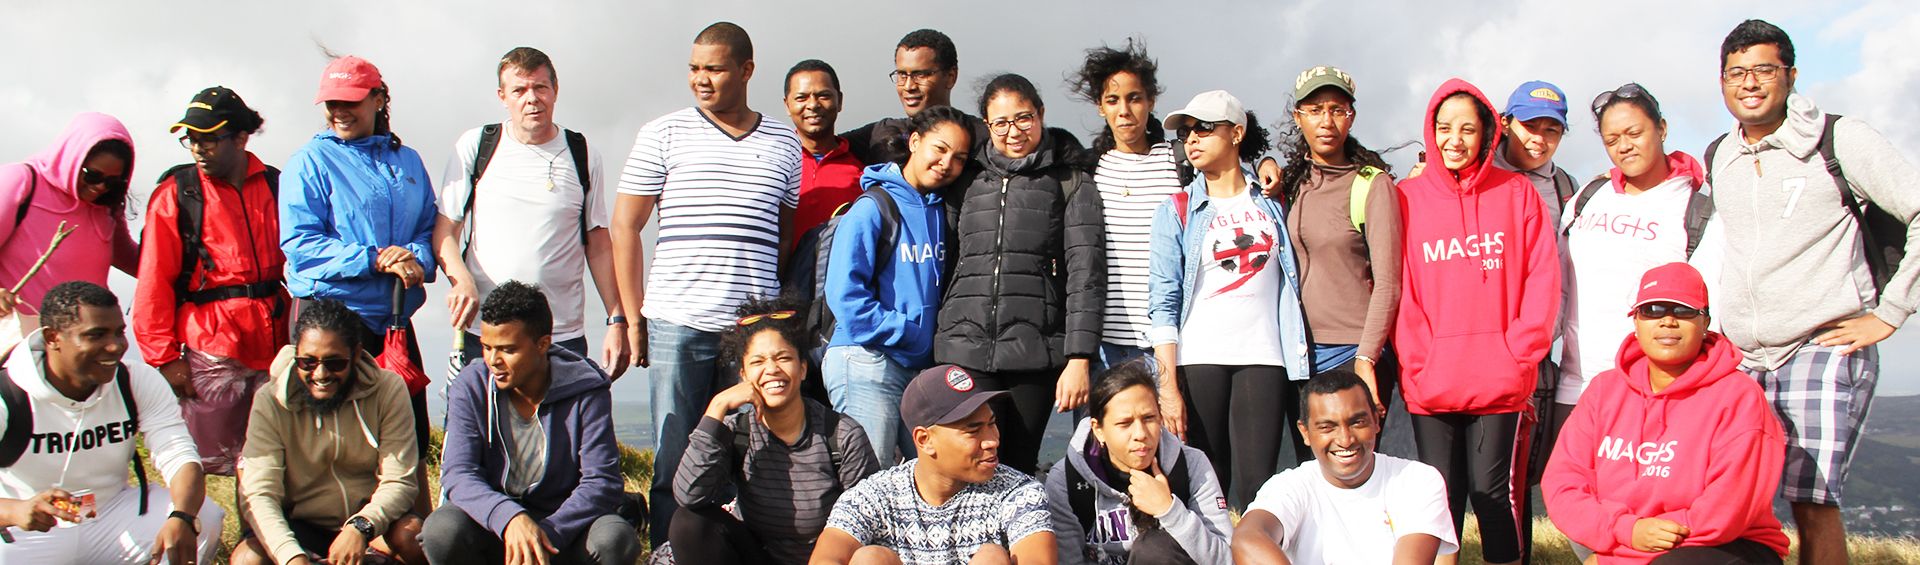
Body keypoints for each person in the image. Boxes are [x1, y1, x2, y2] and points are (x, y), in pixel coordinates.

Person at [1706, 19, 1920, 564]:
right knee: (1733, 496)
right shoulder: (1720, 154)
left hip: (1820, 344)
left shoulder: (1840, 139)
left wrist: (1891, 312)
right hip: (1744, 355)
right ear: (1722, 81)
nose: (1749, 83)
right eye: (1736, 72)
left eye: (1763, 69)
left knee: (1812, 500)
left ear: (1792, 75)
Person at [611, 21, 803, 544]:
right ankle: (667, 552)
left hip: (750, 331)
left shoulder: (784, 142)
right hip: (678, 320)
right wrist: (633, 318)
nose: (701, 79)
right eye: (694, 68)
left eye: (714, 69)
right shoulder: (662, 133)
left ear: (746, 70)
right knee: (675, 454)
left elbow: (783, 234)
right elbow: (624, 226)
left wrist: (766, 314)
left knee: (748, 453)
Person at [1394, 79, 1559, 565]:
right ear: (1431, 131)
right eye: (1444, 128)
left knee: (1493, 498)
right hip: (1431, 381)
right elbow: (1400, 288)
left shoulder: (1517, 193)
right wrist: (1419, 363)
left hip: (1500, 381)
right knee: (1439, 502)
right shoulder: (1406, 197)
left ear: (1488, 132)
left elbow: (1541, 279)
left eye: (1468, 129)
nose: (1455, 140)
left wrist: (1518, 357)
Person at [1545, 262, 1789, 564]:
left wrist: (1615, 558)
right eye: (1653, 310)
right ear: (1636, 322)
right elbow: (1564, 484)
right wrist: (1626, 530)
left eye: (1684, 311)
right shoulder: (1603, 390)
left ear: (1705, 322)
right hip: (1625, 534)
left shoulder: (1739, 396)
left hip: (1726, 544)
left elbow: (1726, 511)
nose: (1668, 321)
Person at [1147, 89, 1310, 511]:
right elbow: (1163, 301)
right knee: (1207, 487)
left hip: (1266, 356)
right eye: (1185, 132)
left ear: (1236, 133)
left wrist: (1268, 162)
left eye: (1204, 128)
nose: (1192, 139)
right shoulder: (1177, 209)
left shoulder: (1274, 200)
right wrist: (1168, 386)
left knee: (1261, 486)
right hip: (1199, 358)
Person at [279, 55, 437, 488]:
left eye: (350, 101)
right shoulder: (309, 161)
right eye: (331, 103)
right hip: (327, 322)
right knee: (332, 444)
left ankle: (408, 526)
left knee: (408, 437)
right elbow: (300, 246)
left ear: (378, 99)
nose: (339, 112)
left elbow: (429, 228)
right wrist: (374, 258)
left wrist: (414, 258)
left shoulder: (408, 161)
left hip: (394, 320)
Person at [936, 73, 1103, 475]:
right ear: (987, 125)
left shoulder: (1070, 181)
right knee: (967, 461)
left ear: (1041, 114)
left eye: (1023, 118)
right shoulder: (967, 180)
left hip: (1035, 353)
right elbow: (946, 260)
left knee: (1017, 466)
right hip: (964, 347)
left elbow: (1086, 273)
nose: (1013, 132)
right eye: (1001, 123)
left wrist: (1079, 357)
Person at [433, 47, 627, 378]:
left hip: (561, 334)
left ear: (555, 90)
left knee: (567, 415)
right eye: (519, 90)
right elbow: (444, 231)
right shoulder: (477, 145)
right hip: (489, 333)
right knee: (484, 414)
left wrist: (617, 319)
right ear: (503, 96)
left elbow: (598, 244)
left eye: (540, 87)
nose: (532, 99)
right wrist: (461, 280)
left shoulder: (582, 153)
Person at [0, 282, 223, 564]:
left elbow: (179, 456)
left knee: (204, 517)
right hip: (29, 526)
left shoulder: (135, 380)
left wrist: (182, 516)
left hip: (109, 512)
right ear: (52, 337)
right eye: (96, 335)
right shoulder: (8, 394)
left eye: (119, 332)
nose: (115, 346)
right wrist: (16, 510)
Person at [134, 87, 288, 478]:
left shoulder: (277, 185)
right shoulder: (176, 194)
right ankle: (190, 518)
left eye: (209, 138)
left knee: (270, 461)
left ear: (241, 137)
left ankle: (257, 521)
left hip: (276, 342)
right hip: (210, 346)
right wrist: (164, 359)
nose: (198, 148)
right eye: (191, 138)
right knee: (200, 461)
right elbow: (153, 281)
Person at [426, 281, 637, 565]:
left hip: (562, 528)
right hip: (494, 525)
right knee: (441, 531)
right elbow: (458, 474)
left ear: (542, 344)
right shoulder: (470, 385)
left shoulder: (586, 388)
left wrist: (543, 536)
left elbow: (602, 482)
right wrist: (509, 518)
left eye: (508, 349)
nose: (493, 360)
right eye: (487, 347)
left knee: (614, 539)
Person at [668, 295, 882, 564]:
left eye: (783, 358)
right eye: (757, 362)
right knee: (689, 522)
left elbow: (870, 519)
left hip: (827, 560)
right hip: (758, 557)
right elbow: (689, 495)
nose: (771, 369)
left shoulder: (841, 435)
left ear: (802, 369)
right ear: (743, 375)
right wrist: (717, 407)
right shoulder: (738, 432)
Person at [1272, 65, 1410, 458]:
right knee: (1313, 467)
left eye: (1337, 110)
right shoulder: (1294, 183)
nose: (1326, 121)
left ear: (1351, 116)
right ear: (1298, 117)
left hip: (1353, 349)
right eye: (1315, 110)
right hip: (1300, 353)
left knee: (1353, 464)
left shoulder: (1371, 184)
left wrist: (1366, 357)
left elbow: (1389, 282)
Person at [822, 106, 972, 464]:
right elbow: (844, 295)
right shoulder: (872, 207)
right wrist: (908, 332)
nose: (946, 163)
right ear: (915, 142)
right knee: (871, 479)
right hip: (866, 359)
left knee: (927, 474)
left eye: (959, 158)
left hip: (914, 367)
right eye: (940, 149)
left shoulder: (941, 211)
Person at [230, 299, 424, 565]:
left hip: (371, 525)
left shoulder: (388, 389)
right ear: (295, 355)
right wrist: (291, 557)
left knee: (414, 536)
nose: (320, 374)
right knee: (247, 558)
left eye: (335, 363)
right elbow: (260, 493)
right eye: (307, 362)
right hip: (301, 527)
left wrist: (360, 527)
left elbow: (399, 481)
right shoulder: (269, 400)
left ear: (356, 355)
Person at [810, 364, 1055, 565]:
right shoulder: (875, 495)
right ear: (924, 440)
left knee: (992, 558)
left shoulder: (1019, 492)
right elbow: (827, 557)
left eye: (991, 423)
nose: (992, 440)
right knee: (871, 559)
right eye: (973, 431)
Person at [1230, 370, 1457, 565]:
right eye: (1327, 427)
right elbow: (1247, 539)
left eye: (1357, 422)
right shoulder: (1290, 486)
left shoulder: (1418, 480)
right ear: (1305, 433)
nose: (1345, 440)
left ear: (1376, 421)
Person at [1044, 359, 1231, 565]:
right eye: (1125, 423)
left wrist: (1169, 510)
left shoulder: (1191, 465)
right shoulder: (1067, 479)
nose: (1140, 434)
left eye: (1149, 418)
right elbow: (1068, 560)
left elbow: (1225, 558)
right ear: (1098, 429)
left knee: (1154, 549)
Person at [1068, 41, 1179, 375]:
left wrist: (1265, 163)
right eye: (1112, 100)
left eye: (1134, 98)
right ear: (1100, 107)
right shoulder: (1089, 170)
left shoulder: (1179, 163)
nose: (1124, 110)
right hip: (1103, 346)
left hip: (1166, 343)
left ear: (1151, 101)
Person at [0, 113, 138, 317]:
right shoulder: (20, 180)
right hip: (21, 332)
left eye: (112, 181)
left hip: (86, 333)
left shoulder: (106, 206)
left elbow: (128, 257)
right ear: (72, 159)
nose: (100, 187)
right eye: (93, 176)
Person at [839, 29, 987, 163]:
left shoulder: (982, 136)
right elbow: (827, 150)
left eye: (920, 75)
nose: (909, 86)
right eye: (902, 75)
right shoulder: (878, 135)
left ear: (950, 77)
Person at [784, 59, 865, 250]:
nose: (813, 105)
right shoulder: (776, 163)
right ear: (787, 105)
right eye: (801, 98)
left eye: (823, 96)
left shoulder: (864, 168)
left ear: (840, 101)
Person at [1493, 81, 1578, 224]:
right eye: (1530, 126)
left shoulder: (1567, 188)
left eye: (1551, 130)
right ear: (1505, 125)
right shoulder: (1475, 177)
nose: (1539, 139)